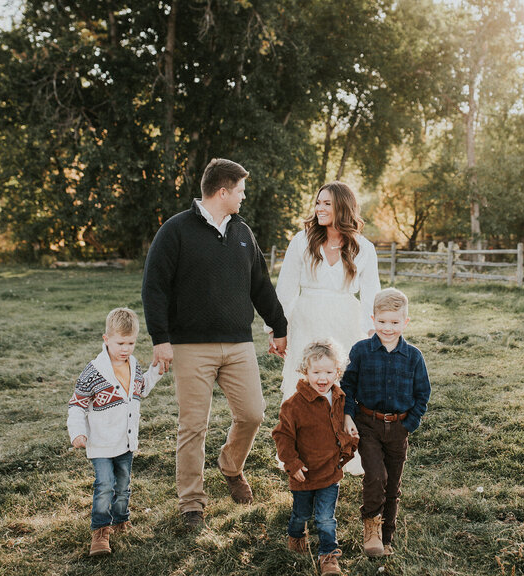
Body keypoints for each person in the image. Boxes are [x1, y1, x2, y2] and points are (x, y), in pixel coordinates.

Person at [141, 157, 289, 530]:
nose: (243, 196)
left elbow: (260, 284)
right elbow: (154, 287)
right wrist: (161, 339)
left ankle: (230, 465)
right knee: (193, 425)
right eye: (240, 190)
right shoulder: (175, 231)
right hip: (191, 347)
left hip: (238, 344)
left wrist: (278, 324)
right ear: (222, 191)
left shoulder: (242, 232)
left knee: (253, 414)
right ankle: (192, 503)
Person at [269, 181, 380, 474]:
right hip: (306, 319)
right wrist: (277, 330)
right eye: (318, 202)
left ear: (343, 207)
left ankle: (341, 452)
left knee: (341, 385)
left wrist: (373, 337)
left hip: (345, 320)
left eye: (327, 203)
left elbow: (371, 296)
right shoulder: (301, 241)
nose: (319, 208)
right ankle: (300, 456)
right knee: (304, 385)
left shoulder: (363, 248)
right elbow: (285, 290)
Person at [341, 288, 431, 558]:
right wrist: (347, 415)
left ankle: (387, 534)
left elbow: (422, 393)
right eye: (382, 322)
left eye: (394, 322)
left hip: (398, 428)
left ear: (405, 322)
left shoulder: (413, 356)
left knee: (392, 483)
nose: (388, 328)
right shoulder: (361, 351)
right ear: (373, 319)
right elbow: (348, 385)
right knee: (375, 476)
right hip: (367, 424)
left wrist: (409, 424)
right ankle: (371, 528)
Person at [67, 307, 164, 556]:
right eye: (120, 343)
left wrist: (156, 372)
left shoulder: (134, 366)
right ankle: (100, 532)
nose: (126, 349)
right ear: (106, 339)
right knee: (105, 485)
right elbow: (77, 405)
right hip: (100, 443)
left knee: (123, 484)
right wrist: (77, 432)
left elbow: (140, 391)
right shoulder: (94, 372)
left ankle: (121, 519)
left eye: (131, 343)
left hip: (125, 441)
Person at [271, 339, 358, 576]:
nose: (323, 378)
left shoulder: (339, 398)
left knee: (325, 518)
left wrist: (349, 443)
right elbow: (282, 435)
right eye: (316, 372)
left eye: (329, 372)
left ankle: (329, 556)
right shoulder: (294, 406)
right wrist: (292, 463)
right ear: (305, 372)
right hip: (304, 474)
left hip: (329, 473)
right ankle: (296, 535)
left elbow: (340, 428)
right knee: (301, 514)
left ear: (337, 372)